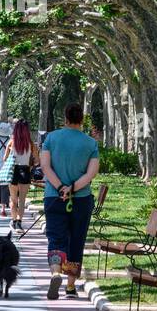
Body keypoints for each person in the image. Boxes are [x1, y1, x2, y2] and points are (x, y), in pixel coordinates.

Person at [40, 103, 100, 300]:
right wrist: (72, 188)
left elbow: (46, 167)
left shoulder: (51, 138)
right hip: (81, 199)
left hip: (54, 197)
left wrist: (59, 188)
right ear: (81, 119)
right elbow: (91, 173)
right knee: (76, 240)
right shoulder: (90, 143)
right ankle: (71, 286)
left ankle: (56, 271)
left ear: (65, 118)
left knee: (56, 237)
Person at [7, 119, 38, 230]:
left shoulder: (11, 142)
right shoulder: (31, 144)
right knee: (22, 200)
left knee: (13, 199)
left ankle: (14, 220)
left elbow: (5, 159)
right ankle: (19, 221)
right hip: (25, 171)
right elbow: (36, 161)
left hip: (13, 171)